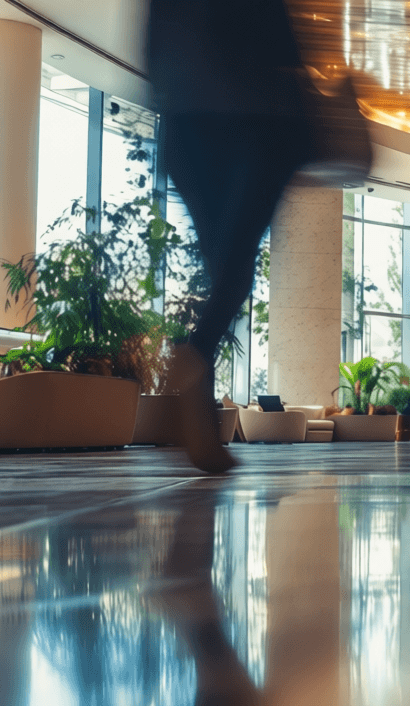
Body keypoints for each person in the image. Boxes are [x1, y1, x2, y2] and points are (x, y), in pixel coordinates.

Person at [148, 0, 313, 473]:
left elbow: (154, 51)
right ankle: (196, 352)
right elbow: (284, 48)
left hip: (185, 126)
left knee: (228, 267)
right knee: (236, 270)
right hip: (252, 127)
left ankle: (197, 384)